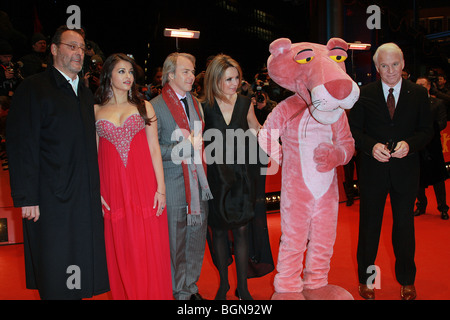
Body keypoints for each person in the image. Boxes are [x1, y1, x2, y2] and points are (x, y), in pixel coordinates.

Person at [5, 25, 109, 299]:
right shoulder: (33, 88)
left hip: (82, 196)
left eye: (81, 48)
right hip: (48, 198)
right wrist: (27, 197)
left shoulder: (86, 95)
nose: (78, 53)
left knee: (80, 263)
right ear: (53, 50)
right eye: (71, 46)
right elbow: (21, 145)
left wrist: (97, 191)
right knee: (55, 267)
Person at [348, 43, 433, 300]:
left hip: (406, 171)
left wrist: (411, 144)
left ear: (403, 63)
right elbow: (354, 131)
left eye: (394, 64)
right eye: (384, 66)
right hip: (373, 171)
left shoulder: (418, 93)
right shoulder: (365, 94)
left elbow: (427, 131)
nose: (390, 70)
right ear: (376, 68)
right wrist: (371, 146)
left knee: (404, 228)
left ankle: (407, 280)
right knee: (369, 227)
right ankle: (367, 281)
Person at [94, 53, 172, 299]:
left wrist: (161, 188)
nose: (128, 76)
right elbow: (94, 154)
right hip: (112, 187)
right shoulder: (94, 110)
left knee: (147, 246)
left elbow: (154, 148)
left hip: (144, 184)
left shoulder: (143, 106)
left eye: (130, 72)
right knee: (122, 248)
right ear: (108, 75)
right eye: (121, 71)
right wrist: (96, 190)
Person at [202, 54, 273, 300]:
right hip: (216, 179)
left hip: (242, 176)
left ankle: (242, 287)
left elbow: (256, 129)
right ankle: (223, 285)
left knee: (242, 231)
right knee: (219, 232)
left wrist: (277, 138)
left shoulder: (245, 103)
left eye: (236, 78)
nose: (234, 83)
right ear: (215, 80)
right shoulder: (204, 106)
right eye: (228, 79)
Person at [150, 52, 212, 300]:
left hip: (198, 182)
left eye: (192, 70)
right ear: (170, 74)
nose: (191, 75)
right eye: (185, 71)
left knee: (196, 238)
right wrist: (184, 148)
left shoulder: (197, 103)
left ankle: (190, 287)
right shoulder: (154, 106)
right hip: (173, 183)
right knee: (175, 242)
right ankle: (177, 291)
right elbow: (151, 149)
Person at [413, 77, 449, 220]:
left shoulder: (438, 103)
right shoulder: (411, 104)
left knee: (438, 179)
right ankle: (421, 206)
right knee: (418, 180)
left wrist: (427, 133)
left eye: (422, 84)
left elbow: (442, 122)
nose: (420, 87)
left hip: (433, 147)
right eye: (418, 85)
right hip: (417, 147)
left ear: (428, 86)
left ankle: (443, 208)